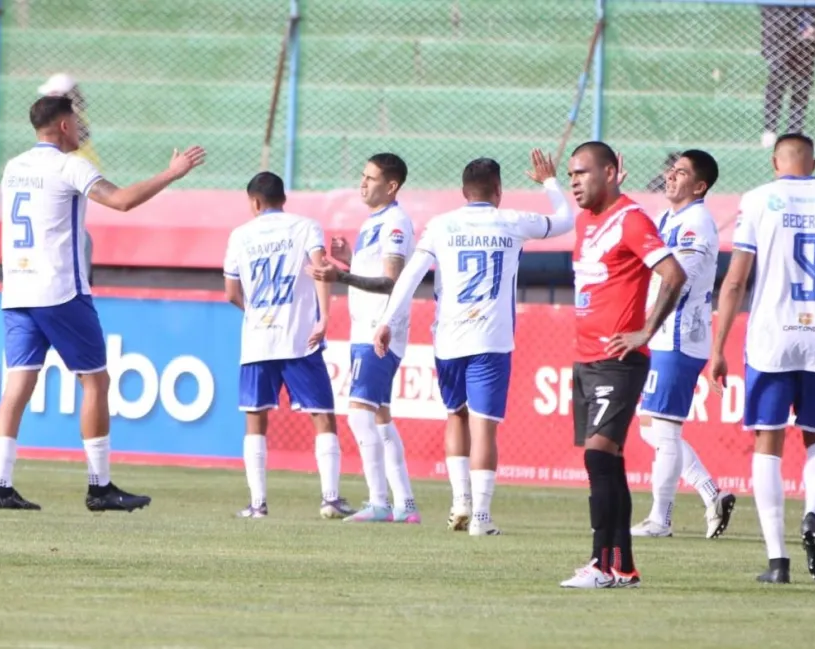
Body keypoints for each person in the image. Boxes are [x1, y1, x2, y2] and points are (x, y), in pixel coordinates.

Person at [0, 95, 205, 510]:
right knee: (95, 380)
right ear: (65, 126)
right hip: (60, 290)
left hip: (16, 288)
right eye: (76, 119)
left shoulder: (14, 167)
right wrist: (171, 173)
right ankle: (99, 486)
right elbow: (122, 200)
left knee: (17, 385)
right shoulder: (70, 165)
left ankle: (0, 485)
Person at [372, 150, 573, 536]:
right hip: (492, 340)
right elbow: (565, 221)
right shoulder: (513, 221)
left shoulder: (442, 225)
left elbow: (411, 276)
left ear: (463, 191)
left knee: (456, 416)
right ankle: (481, 515)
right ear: (498, 190)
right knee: (485, 427)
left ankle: (459, 501)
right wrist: (548, 182)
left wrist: (386, 322)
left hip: (448, 338)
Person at [709, 134, 815, 584]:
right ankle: (812, 515)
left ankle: (778, 561)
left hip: (771, 339)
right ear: (814, 161)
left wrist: (718, 348)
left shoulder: (758, 200)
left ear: (776, 161)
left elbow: (736, 282)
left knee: (768, 442)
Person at [557, 141, 687, 590]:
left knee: (598, 455)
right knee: (606, 461)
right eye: (571, 174)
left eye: (583, 173)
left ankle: (599, 563)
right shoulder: (584, 221)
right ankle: (623, 568)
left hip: (619, 360)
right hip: (587, 359)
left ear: (611, 173)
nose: (575, 181)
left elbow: (674, 275)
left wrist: (646, 332)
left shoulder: (630, 220)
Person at [224, 172, 356, 520]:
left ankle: (258, 504)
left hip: (258, 339)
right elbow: (320, 268)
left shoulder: (240, 235)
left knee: (256, 420)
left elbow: (231, 292)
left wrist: (254, 313)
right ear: (284, 198)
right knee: (322, 416)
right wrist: (324, 317)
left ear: (254, 202)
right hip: (300, 337)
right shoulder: (306, 226)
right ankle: (330, 498)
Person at [629, 149, 737, 540]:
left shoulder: (697, 224)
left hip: (678, 333)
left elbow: (680, 280)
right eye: (670, 170)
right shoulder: (666, 219)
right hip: (660, 333)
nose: (671, 177)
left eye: (681, 173)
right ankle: (713, 494)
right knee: (649, 427)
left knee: (666, 429)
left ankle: (661, 518)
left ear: (700, 185)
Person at [307, 153, 421, 524]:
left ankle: (379, 503)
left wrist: (341, 277)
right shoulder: (376, 221)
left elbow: (391, 281)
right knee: (381, 419)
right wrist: (351, 260)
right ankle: (405, 505)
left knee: (359, 416)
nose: (363, 183)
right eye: (362, 176)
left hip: (379, 328)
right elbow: (377, 271)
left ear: (391, 186)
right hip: (367, 327)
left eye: (371, 178)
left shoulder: (396, 222)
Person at [38, 73, 102, 286]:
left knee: (77, 240)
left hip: (76, 182)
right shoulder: (74, 121)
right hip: (75, 182)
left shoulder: (70, 124)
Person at [760, 6, 815, 146]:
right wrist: (802, 31)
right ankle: (770, 129)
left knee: (801, 88)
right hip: (779, 44)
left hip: (807, 48)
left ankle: (795, 131)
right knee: (776, 86)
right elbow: (773, 16)